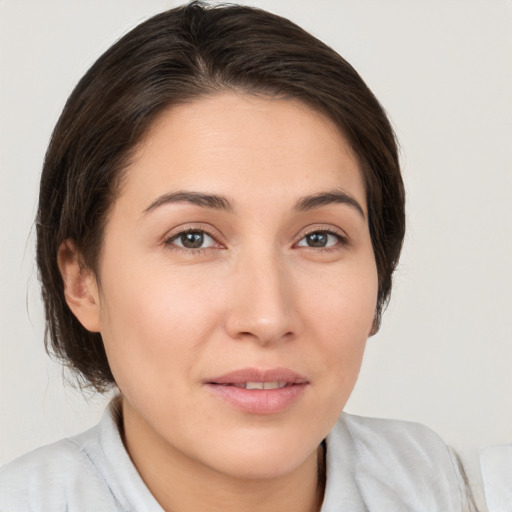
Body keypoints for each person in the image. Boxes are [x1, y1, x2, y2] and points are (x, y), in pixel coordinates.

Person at [0, 2, 481, 510]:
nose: (268, 316)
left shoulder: (472, 493)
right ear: (82, 282)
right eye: (192, 239)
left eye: (319, 238)